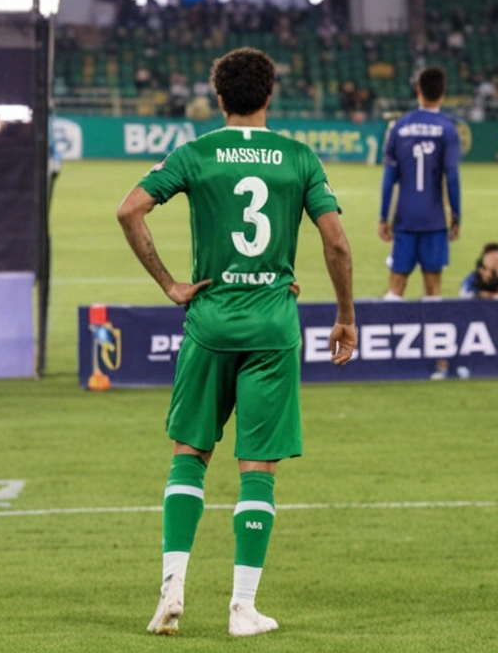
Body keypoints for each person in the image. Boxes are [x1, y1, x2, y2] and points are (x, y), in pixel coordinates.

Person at [116, 47, 357, 638]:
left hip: (210, 323)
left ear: (218, 97)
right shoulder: (299, 157)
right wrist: (345, 314)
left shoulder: (196, 153)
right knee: (258, 468)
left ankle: (172, 588)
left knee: (190, 455)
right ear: (270, 95)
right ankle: (242, 609)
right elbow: (338, 244)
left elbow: (129, 211)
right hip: (273, 326)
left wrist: (171, 283)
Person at [379, 67, 462, 300]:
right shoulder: (448, 129)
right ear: (443, 92)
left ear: (418, 89)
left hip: (405, 219)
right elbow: (452, 178)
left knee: (396, 286)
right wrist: (456, 216)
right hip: (435, 220)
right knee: (433, 290)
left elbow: (389, 179)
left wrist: (384, 217)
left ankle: (389, 332)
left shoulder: (399, 127)